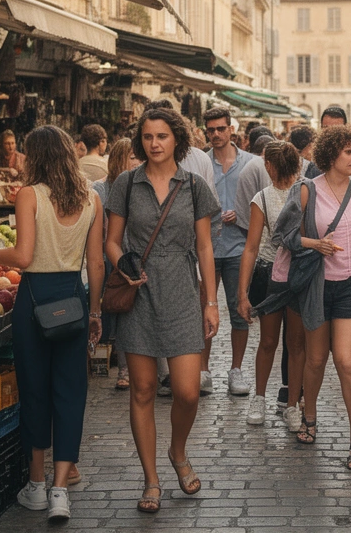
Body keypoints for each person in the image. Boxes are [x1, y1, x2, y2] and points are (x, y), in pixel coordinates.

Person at [0, 126, 102, 522]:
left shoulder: (29, 195)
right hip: (73, 299)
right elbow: (97, 263)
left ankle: (35, 485)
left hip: (34, 300)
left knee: (34, 390)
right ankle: (60, 490)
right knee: (71, 394)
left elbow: (22, 256)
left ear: (34, 156)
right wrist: (95, 312)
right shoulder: (91, 199)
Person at [104, 107, 221, 513]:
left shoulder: (194, 186)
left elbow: (205, 247)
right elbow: (111, 241)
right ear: (141, 141)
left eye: (162, 136)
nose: (155, 143)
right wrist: (123, 264)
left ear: (177, 140)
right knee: (143, 390)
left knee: (188, 392)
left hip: (184, 292)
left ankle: (178, 451)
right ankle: (151, 479)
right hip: (140, 293)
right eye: (148, 137)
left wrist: (211, 302)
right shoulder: (125, 184)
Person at [257, 126, 351, 469]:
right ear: (331, 156)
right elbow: (282, 235)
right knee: (315, 359)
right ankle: (308, 415)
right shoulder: (305, 191)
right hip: (317, 284)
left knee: (346, 360)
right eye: (348, 152)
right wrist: (315, 244)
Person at [235, 141, 304, 428]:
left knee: (294, 344)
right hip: (271, 275)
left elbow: (250, 248)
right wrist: (242, 292)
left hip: (298, 274)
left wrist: (242, 292)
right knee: (270, 341)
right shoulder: (262, 198)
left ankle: (292, 404)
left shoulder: (305, 193)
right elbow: (252, 247)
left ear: (270, 166)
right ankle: (261, 398)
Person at [202, 107, 257, 397]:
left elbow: (261, 204)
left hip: (239, 246)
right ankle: (203, 369)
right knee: (204, 309)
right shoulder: (199, 162)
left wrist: (243, 215)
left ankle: (236, 369)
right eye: (211, 130)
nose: (216, 134)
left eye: (221, 129)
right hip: (207, 247)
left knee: (240, 310)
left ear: (231, 129)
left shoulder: (251, 163)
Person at [93, 139, 138, 391]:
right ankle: (121, 367)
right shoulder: (101, 189)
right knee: (117, 310)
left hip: (134, 257)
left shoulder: (141, 185)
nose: (137, 162)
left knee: (131, 312)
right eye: (132, 157)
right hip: (109, 258)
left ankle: (135, 366)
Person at [303, 107, 348, 180]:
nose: (330, 133)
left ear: (345, 128)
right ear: (321, 128)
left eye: (336, 129)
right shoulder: (310, 153)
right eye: (326, 128)